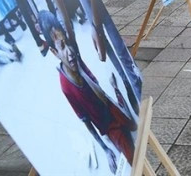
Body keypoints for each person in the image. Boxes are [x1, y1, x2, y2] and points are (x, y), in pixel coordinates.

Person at [39, 11, 136, 173]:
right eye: (62, 47)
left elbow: (98, 89)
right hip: (108, 125)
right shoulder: (66, 86)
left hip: (110, 106)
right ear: (54, 53)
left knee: (133, 125)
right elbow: (86, 121)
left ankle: (116, 91)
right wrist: (106, 150)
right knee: (134, 157)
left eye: (67, 43)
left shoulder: (75, 57)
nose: (70, 52)